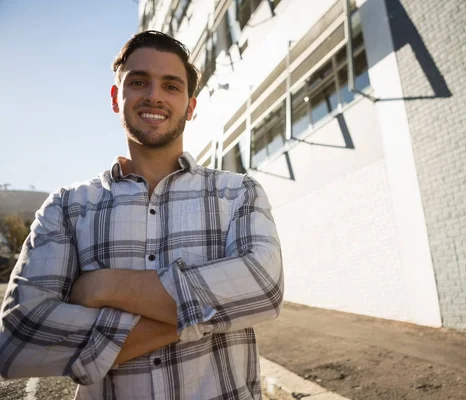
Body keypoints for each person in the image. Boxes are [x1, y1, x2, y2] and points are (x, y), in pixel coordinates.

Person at [0, 30, 284, 400]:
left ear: (191, 105)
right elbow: (20, 340)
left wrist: (103, 287)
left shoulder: (237, 193)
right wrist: (217, 310)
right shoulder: (68, 207)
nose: (154, 95)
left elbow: (263, 287)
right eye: (138, 82)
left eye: (171, 86)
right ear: (117, 97)